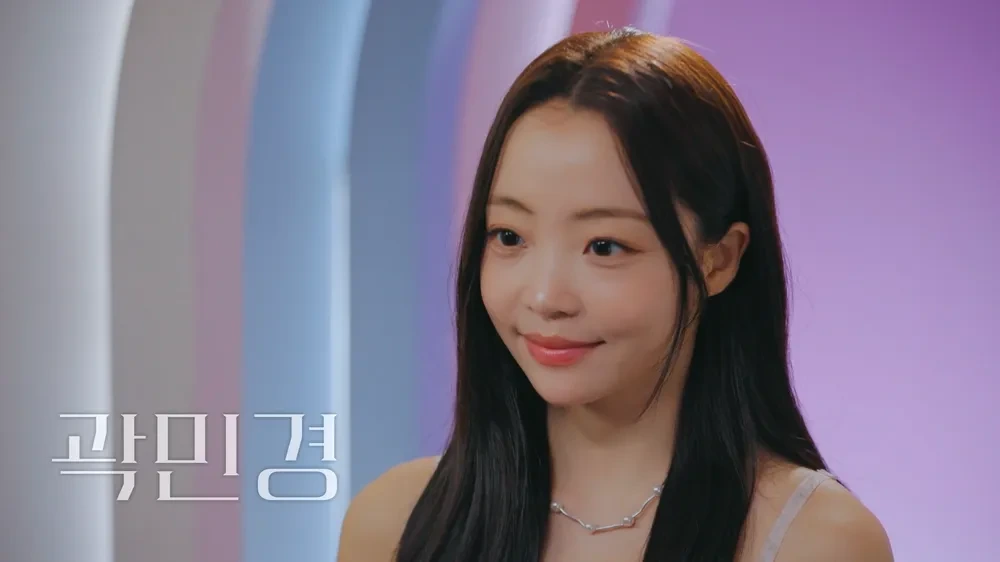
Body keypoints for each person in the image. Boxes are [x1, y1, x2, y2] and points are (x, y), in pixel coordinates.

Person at [338, 27, 893, 562]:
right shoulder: (395, 523)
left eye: (604, 246)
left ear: (719, 259)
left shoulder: (814, 540)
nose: (545, 297)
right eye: (509, 236)